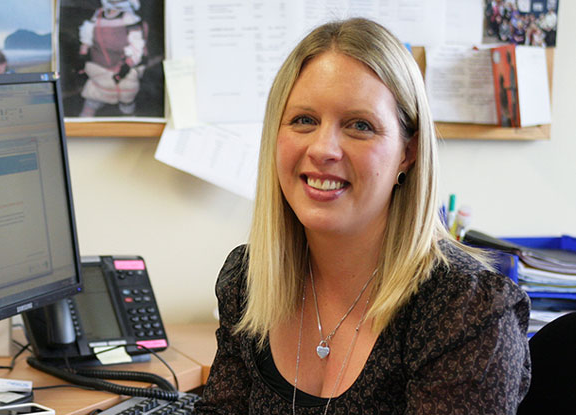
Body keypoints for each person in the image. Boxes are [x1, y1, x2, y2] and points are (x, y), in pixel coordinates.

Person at [194, 18, 530, 414]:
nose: (323, 149)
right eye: (304, 120)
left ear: (408, 152)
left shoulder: (464, 310)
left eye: (359, 125)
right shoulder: (249, 280)